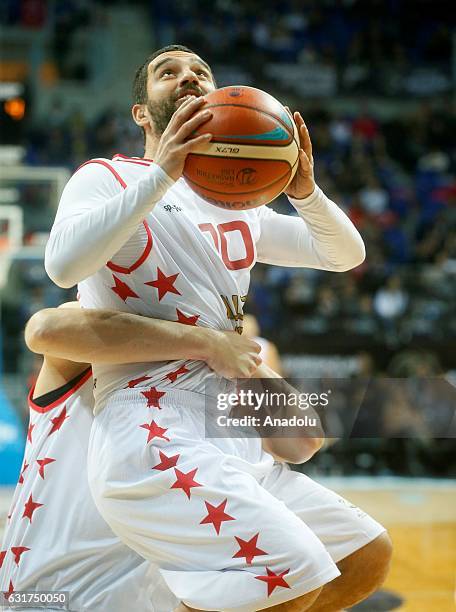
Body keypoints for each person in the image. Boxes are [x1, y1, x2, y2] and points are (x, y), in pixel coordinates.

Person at [44, 45, 391, 611]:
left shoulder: (240, 202)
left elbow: (344, 254)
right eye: (167, 72)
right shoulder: (107, 178)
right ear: (141, 112)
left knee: (365, 555)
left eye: (200, 72)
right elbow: (62, 269)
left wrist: (303, 191)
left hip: (227, 418)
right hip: (149, 416)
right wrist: (162, 173)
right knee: (292, 570)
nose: (187, 77)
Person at [0, 303, 261, 611]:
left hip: (141, 601)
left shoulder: (204, 380)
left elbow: (305, 438)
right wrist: (210, 341)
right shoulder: (93, 330)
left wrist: (239, 351)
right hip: (48, 595)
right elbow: (43, 330)